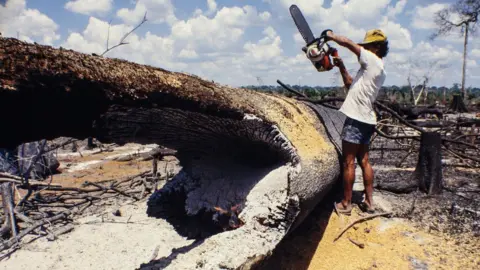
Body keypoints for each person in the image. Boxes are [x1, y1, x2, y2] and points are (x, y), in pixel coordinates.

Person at [324, 29, 389, 215]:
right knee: (364, 160)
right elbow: (350, 84)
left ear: (377, 47)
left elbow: (348, 43)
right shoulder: (377, 68)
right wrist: (341, 66)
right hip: (367, 118)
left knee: (349, 162)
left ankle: (346, 203)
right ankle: (369, 202)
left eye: (367, 46)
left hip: (356, 118)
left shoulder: (372, 60)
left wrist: (331, 35)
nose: (363, 48)